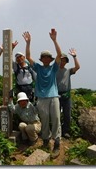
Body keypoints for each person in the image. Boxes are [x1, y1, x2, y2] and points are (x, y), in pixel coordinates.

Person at [24, 28, 62, 158]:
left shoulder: (54, 67)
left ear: (50, 59)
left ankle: (57, 143)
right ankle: (46, 141)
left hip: (54, 97)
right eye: (44, 57)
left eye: (48, 57)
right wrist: (28, 43)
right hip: (41, 98)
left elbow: (59, 54)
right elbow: (28, 57)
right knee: (45, 121)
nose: (46, 59)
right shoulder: (38, 67)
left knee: (56, 119)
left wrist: (54, 40)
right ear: (42, 59)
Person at [56, 49, 80, 139]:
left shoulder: (68, 71)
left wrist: (74, 57)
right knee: (56, 114)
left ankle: (65, 131)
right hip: (56, 95)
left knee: (67, 114)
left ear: (66, 62)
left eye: (64, 60)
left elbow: (77, 67)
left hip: (67, 95)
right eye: (61, 60)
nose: (62, 62)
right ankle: (57, 131)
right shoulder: (54, 70)